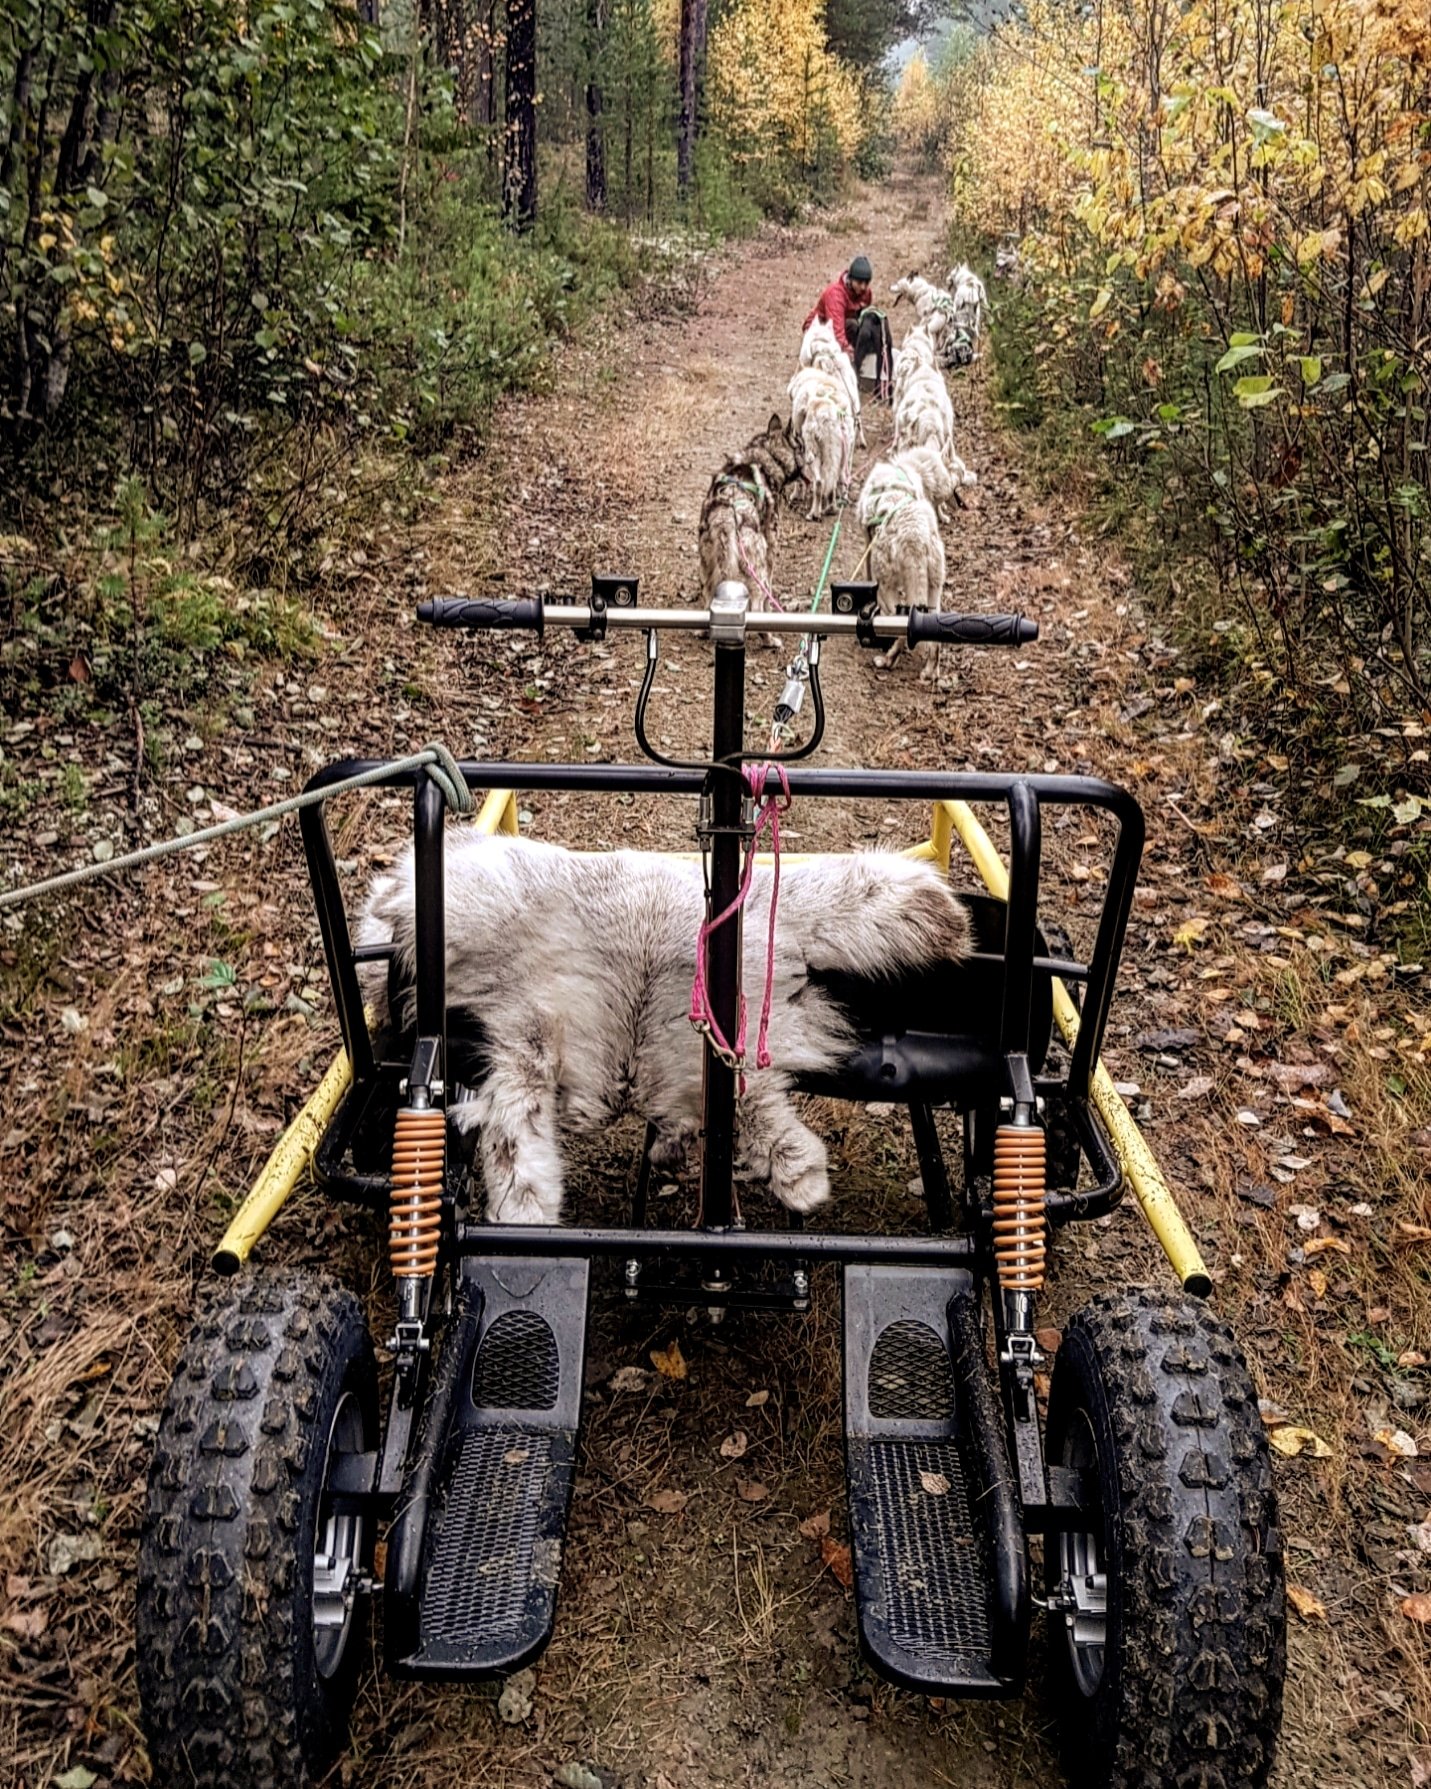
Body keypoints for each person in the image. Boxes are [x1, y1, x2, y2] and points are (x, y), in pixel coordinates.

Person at [802, 255, 892, 399]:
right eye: (859, 282)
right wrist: (850, 356)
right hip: (820, 330)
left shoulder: (865, 294)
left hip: (845, 325)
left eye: (866, 283)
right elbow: (837, 332)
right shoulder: (835, 295)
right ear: (850, 279)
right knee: (840, 344)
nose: (863, 287)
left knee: (857, 326)